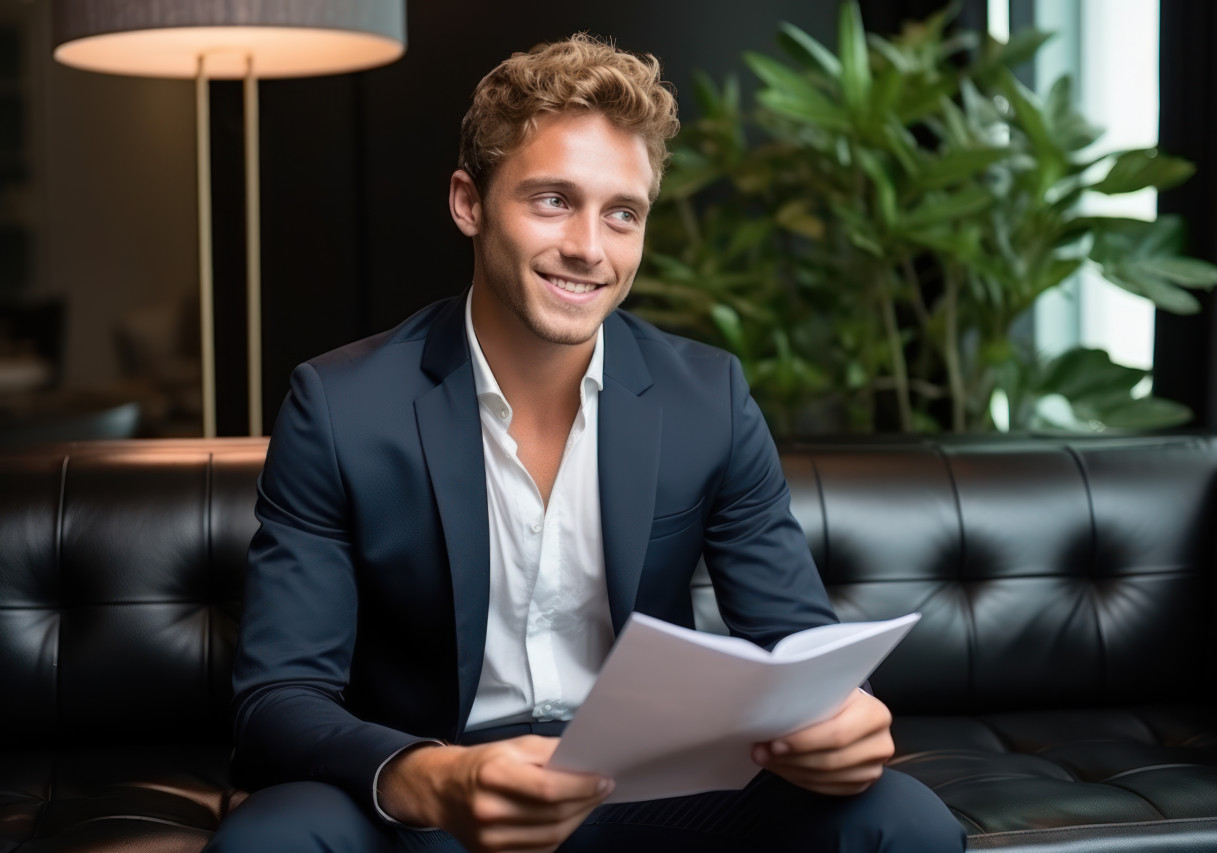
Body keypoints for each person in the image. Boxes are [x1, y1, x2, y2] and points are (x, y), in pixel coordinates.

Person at [208, 34, 966, 853]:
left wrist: (844, 714)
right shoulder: (342, 406)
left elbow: (801, 643)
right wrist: (433, 777)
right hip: (439, 792)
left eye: (622, 213)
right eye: (552, 200)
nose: (589, 248)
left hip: (647, 787)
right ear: (468, 202)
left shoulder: (707, 396)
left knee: (902, 819)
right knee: (266, 843)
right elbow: (278, 700)